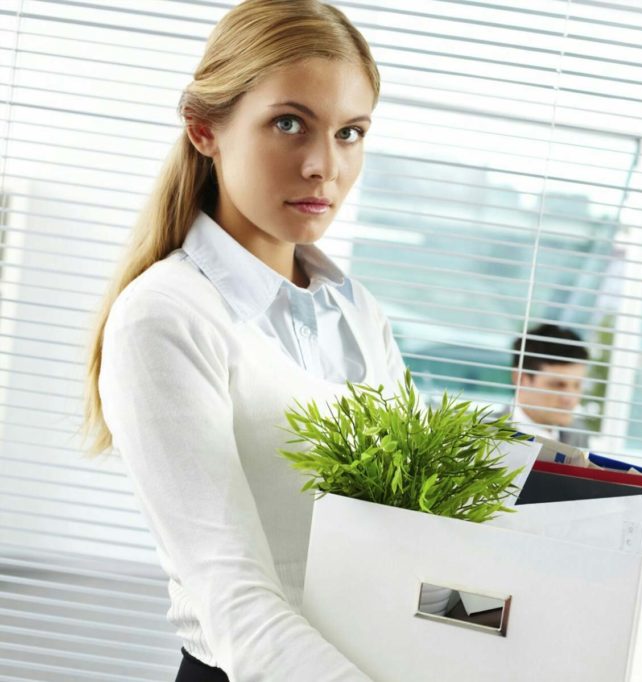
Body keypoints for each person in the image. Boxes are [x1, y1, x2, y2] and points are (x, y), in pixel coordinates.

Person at [81, 2, 401, 680]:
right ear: (205, 130)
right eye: (290, 123)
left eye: (350, 132)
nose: (324, 165)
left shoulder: (359, 314)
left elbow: (406, 534)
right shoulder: (165, 318)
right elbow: (234, 599)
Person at [505, 323, 591, 449]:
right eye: (558, 385)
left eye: (577, 385)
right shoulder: (483, 435)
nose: (570, 399)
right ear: (521, 379)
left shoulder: (579, 434)